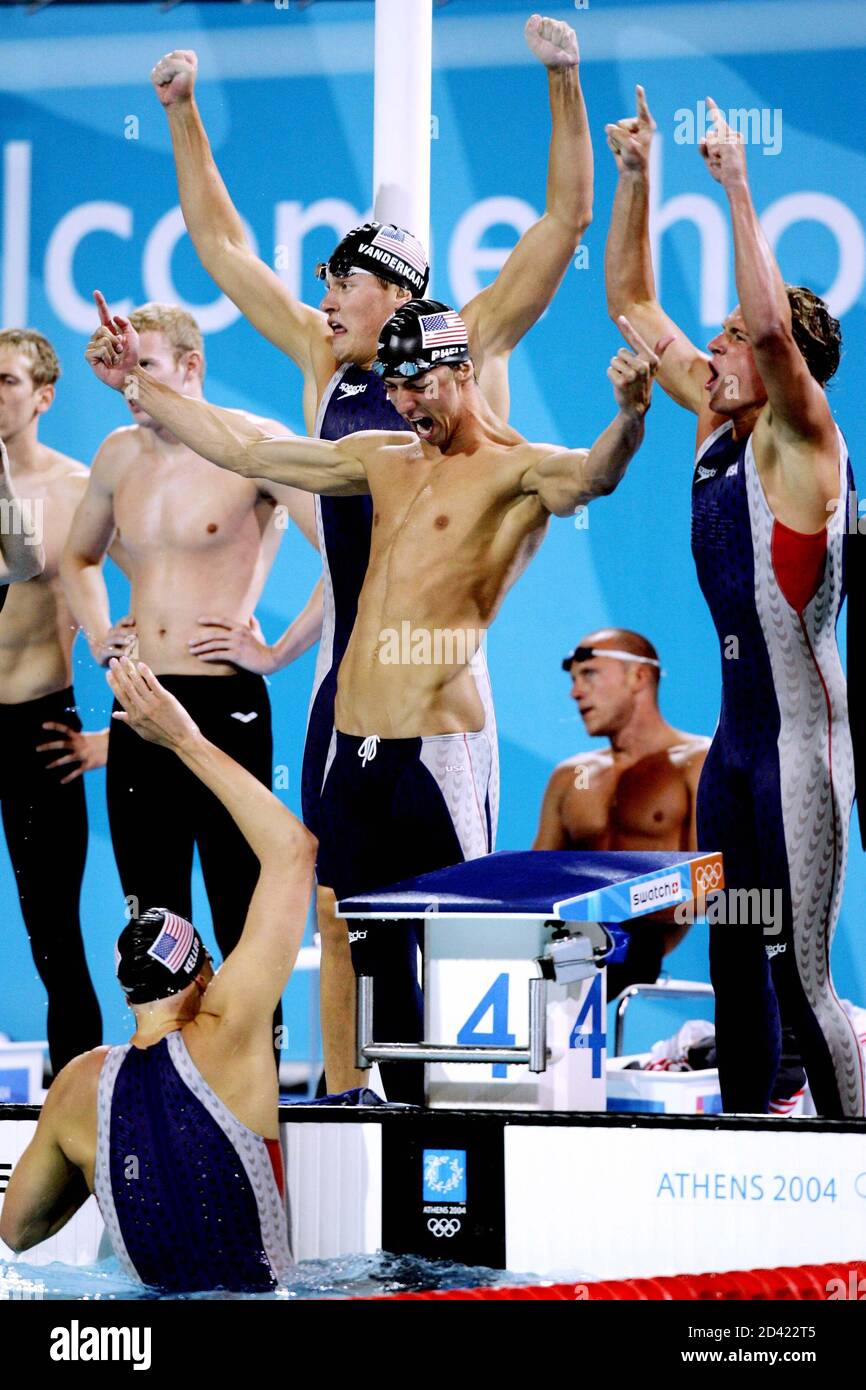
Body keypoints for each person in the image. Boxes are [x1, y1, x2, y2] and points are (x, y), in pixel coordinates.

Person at [150, 12, 594, 1094]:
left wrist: (562, 82)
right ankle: (350, 1098)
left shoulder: (467, 346)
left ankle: (460, 1101)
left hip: (437, 681)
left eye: (339, 282)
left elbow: (561, 223)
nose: (321, 299)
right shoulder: (323, 356)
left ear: (391, 288)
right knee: (335, 904)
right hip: (340, 678)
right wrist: (181, 112)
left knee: (447, 908)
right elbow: (222, 250)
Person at [85, 294, 668, 1102]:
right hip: (354, 747)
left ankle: (458, 1132)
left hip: (435, 749)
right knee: (370, 954)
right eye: (393, 387)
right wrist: (140, 387)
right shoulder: (382, 456)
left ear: (462, 370)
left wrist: (630, 417)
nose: (405, 404)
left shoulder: (517, 469)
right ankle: (399, 1126)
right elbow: (248, 450)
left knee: (454, 949)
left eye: (419, 385)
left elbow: (591, 477)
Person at [604, 89, 862, 1117]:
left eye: (727, 338)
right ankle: (746, 1146)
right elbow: (630, 301)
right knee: (732, 957)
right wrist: (637, 178)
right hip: (736, 754)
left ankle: (851, 1163)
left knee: (802, 975)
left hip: (803, 747)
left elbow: (772, 330)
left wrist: (735, 186)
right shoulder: (716, 418)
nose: (709, 351)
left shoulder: (804, 439)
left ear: (773, 360)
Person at [0, 658, 315, 1294]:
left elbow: (17, 1230)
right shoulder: (229, 1029)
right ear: (204, 975)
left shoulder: (77, 1087)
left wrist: (99, 1166)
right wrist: (184, 739)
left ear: (129, 992)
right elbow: (293, 850)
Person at [61, 300, 319, 1062]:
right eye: (122, 371)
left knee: (243, 910)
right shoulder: (118, 455)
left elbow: (347, 555)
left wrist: (278, 652)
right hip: (140, 708)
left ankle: (256, 1083)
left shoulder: (252, 445)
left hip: (223, 704)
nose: (129, 385)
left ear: (191, 366)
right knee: (152, 919)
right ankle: (164, 1085)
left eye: (143, 367)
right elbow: (79, 557)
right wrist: (102, 637)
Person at [0, 328, 105, 1077]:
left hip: (38, 726)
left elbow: (153, 595)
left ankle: (76, 1103)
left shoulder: (76, 489)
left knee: (54, 937)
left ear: (43, 396)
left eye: (6, 381)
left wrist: (117, 733)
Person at [533, 629, 709, 997]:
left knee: (551, 977)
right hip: (564, 942)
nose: (575, 692)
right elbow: (535, 884)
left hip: (634, 944)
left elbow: (708, 888)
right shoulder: (573, 776)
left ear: (638, 676)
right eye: (573, 679)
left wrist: (610, 903)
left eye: (589, 674)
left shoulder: (696, 763)